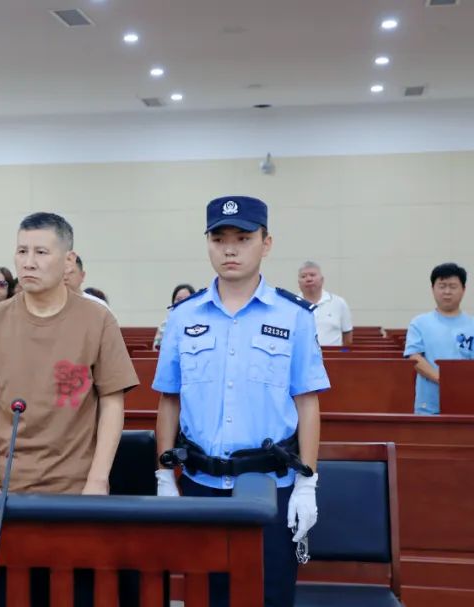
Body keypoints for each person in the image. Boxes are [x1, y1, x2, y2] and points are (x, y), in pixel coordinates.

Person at [0, 212, 138, 607]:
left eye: (41, 252)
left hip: (75, 490)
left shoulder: (97, 319)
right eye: (22, 251)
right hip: (7, 493)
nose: (29, 262)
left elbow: (112, 401)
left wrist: (97, 481)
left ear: (68, 260)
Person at [153, 196, 328, 607]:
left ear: (266, 243)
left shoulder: (294, 316)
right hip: (200, 485)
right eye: (219, 239)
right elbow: (169, 399)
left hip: (269, 487)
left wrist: (307, 483)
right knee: (205, 596)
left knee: (269, 595)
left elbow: (307, 403)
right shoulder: (183, 316)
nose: (230, 250)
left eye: (243, 238)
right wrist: (164, 477)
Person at [403, 262, 474, 415]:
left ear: (463, 289)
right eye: (442, 286)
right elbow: (414, 357)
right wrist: (444, 381)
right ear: (433, 289)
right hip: (428, 407)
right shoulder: (419, 323)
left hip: (468, 403)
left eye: (453, 286)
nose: (447, 292)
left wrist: (459, 384)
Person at [296, 261, 353, 347]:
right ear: (299, 283)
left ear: (322, 280)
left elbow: (347, 336)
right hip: (301, 355)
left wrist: (342, 353)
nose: (308, 279)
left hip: (333, 354)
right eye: (303, 276)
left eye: (312, 275)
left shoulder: (339, 302)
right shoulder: (291, 304)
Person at [152, 284, 195, 350]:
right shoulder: (166, 324)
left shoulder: (201, 321)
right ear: (173, 303)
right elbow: (157, 348)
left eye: (187, 299)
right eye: (179, 299)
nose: (182, 302)